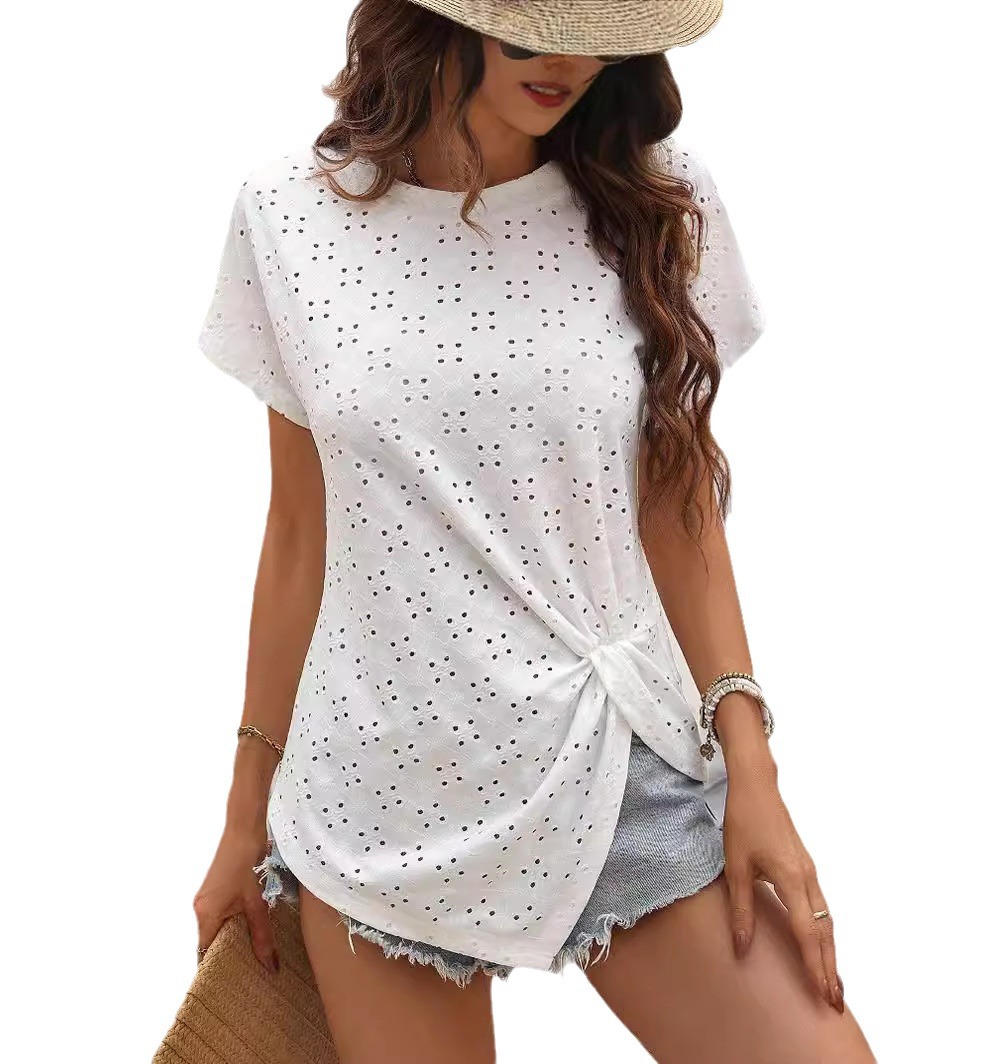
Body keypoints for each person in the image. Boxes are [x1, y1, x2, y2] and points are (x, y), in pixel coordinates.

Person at [189, 1, 876, 1060]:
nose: (570, 60)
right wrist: (243, 816)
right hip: (380, 801)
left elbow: (679, 508)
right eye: (534, 21)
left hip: (607, 756)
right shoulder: (288, 216)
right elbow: (295, 535)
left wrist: (754, 770)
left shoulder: (655, 201)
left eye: (599, 28)